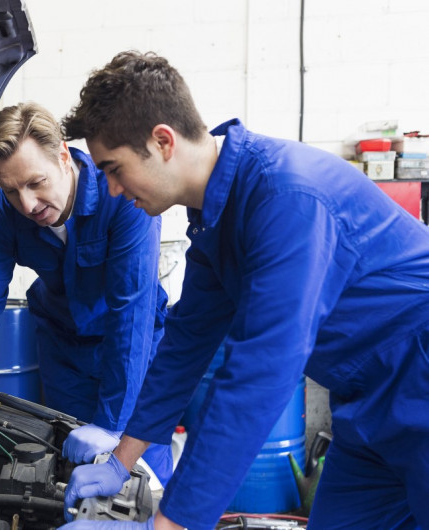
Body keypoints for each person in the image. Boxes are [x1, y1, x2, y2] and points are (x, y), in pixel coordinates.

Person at [59, 51, 429, 530]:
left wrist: (168, 525)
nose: (111, 190)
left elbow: (260, 373)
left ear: (163, 141)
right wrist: (120, 461)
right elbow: (184, 347)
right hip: (367, 405)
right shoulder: (218, 214)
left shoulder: (286, 199)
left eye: (113, 168)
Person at [0, 102, 171, 490]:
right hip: (64, 350)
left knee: (144, 478)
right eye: (11, 190)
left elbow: (132, 311)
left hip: (133, 348)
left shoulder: (122, 195)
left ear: (62, 155)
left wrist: (112, 423)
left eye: (35, 183)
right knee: (67, 467)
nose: (26, 205)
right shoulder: (3, 216)